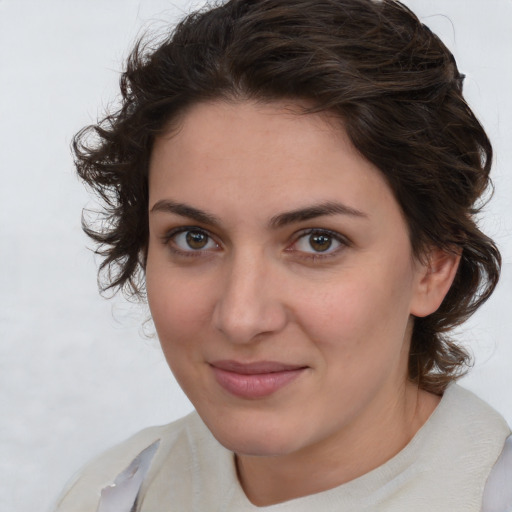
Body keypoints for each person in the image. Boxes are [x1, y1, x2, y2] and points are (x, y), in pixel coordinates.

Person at [54, 0, 511, 510]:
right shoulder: (110, 492)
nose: (241, 318)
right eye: (194, 238)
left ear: (433, 265)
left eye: (319, 241)